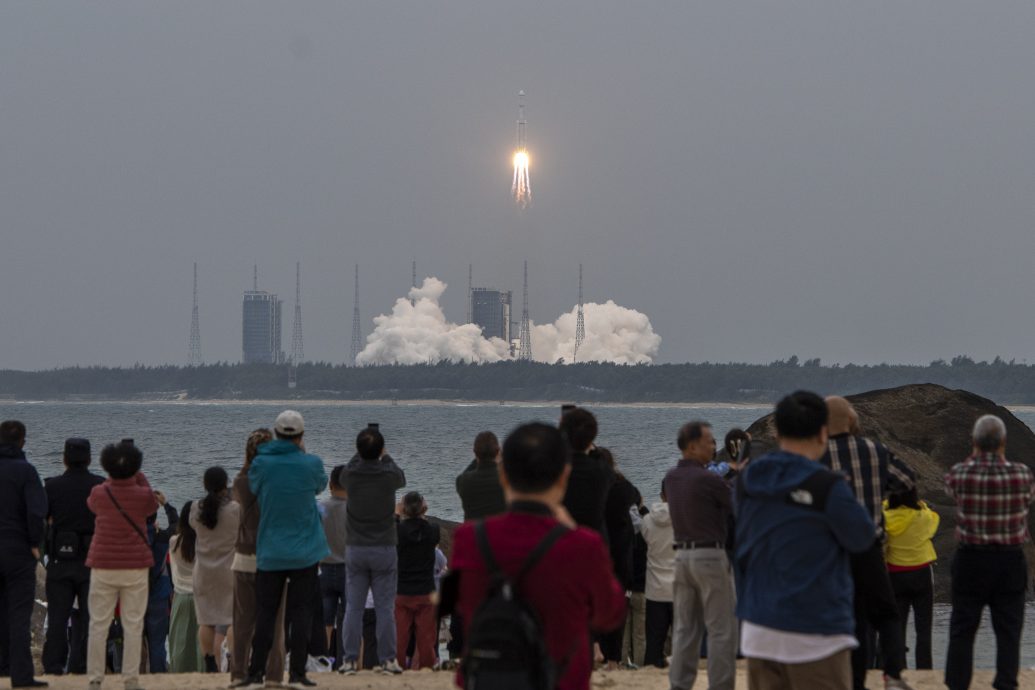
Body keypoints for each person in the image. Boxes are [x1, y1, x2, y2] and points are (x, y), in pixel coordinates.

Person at [449, 422, 627, 690]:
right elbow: (609, 613)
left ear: (504, 476)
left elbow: (463, 605)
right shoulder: (582, 545)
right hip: (561, 680)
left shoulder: (469, 540)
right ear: (563, 476)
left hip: (490, 678)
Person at [735, 391, 875, 690]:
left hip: (759, 627)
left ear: (776, 430)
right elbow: (863, 537)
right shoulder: (827, 486)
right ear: (823, 433)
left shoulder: (750, 479)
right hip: (816, 630)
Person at [822, 396, 915, 690]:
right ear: (851, 421)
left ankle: (851, 681)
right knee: (885, 614)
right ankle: (894, 674)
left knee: (847, 621)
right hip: (868, 548)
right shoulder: (875, 452)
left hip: (831, 553)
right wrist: (885, 495)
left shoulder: (816, 457)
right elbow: (907, 481)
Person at [233, 411, 328, 690]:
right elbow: (319, 485)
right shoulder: (311, 463)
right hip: (305, 550)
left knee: (265, 612)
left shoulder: (262, 464)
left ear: (277, 433)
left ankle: (255, 674)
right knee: (301, 613)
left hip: (271, 550)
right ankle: (297, 673)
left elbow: (255, 485)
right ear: (301, 436)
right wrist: (302, 453)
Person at [944, 414, 1035, 690]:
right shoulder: (1022, 474)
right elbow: (1028, 497)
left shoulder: (960, 473)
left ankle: (958, 683)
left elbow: (951, 491)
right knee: (1009, 629)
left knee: (962, 627)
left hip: (971, 558)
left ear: (974, 442)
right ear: (1004, 442)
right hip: (1009, 559)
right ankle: (1006, 682)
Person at [662, 420, 737, 690]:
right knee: (721, 629)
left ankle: (679, 685)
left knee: (685, 629)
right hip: (710, 555)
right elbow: (735, 504)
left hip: (682, 557)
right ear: (692, 446)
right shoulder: (708, 479)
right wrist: (735, 472)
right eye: (709, 441)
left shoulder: (671, 477)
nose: (714, 446)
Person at [85, 440, 160, 690]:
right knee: (133, 622)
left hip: (103, 564)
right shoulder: (142, 495)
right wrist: (137, 475)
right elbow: (152, 505)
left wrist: (112, 477)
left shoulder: (100, 493)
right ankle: (130, 678)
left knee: (98, 623)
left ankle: (95, 677)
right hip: (135, 566)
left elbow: (92, 505)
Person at [339, 425, 406, 676]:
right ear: (380, 450)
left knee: (353, 608)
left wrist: (360, 453)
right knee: (385, 608)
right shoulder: (389, 476)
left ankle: (349, 659)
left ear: (358, 450)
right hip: (384, 548)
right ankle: (388, 659)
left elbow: (347, 470)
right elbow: (401, 476)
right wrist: (385, 455)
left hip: (356, 548)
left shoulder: (351, 476)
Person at [42, 437, 104, 676]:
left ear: (65, 459)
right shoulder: (101, 486)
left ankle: (54, 667)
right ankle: (87, 667)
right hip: (93, 561)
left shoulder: (52, 486)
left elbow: (42, 521)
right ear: (89, 459)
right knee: (92, 620)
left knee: (58, 619)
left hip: (60, 560)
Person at [229, 429, 286, 687]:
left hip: (245, 556)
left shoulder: (242, 481)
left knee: (242, 622)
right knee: (275, 623)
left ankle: (239, 673)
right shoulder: (280, 481)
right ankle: (273, 675)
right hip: (274, 556)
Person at [0, 420, 48, 689]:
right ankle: (19, 675)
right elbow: (35, 511)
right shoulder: (26, 471)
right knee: (19, 614)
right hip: (17, 550)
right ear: (22, 442)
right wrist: (34, 543)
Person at [190, 466, 240, 672]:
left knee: (206, 621)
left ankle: (209, 662)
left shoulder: (195, 507)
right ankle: (233, 661)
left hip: (203, 572)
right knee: (233, 620)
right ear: (224, 484)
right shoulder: (235, 509)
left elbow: (193, 525)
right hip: (230, 571)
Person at [882, 487, 938, 670]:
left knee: (898, 627)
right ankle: (924, 668)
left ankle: (899, 666)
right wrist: (922, 505)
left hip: (895, 574)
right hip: (921, 573)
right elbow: (934, 520)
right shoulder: (923, 516)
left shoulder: (886, 517)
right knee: (924, 628)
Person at [599, 449, 640, 670]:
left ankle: (596, 651)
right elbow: (637, 523)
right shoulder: (625, 489)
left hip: (596, 555)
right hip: (621, 557)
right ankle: (614, 660)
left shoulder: (589, 490)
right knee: (616, 610)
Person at [394, 491, 440, 670]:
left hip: (402, 590)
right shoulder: (433, 530)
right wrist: (421, 514)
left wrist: (397, 514)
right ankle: (427, 670)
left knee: (400, 637)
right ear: (424, 508)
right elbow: (426, 528)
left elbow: (391, 530)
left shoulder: (398, 531)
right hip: (426, 591)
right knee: (426, 638)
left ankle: (397, 668)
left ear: (404, 509)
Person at [559, 408, 615, 534]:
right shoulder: (603, 472)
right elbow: (601, 460)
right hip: (593, 538)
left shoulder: (554, 470)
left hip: (559, 537)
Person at [142, 490, 177, 674]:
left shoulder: (131, 539)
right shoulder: (163, 538)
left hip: (134, 597)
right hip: (159, 597)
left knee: (134, 645)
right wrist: (166, 504)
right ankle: (158, 679)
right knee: (157, 645)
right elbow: (176, 526)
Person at [640, 486, 675, 669]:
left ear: (662, 495)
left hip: (655, 590)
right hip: (680, 589)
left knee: (654, 644)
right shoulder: (686, 518)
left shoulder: (647, 521)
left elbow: (645, 539)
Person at [168, 501, 204, 673]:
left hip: (181, 597)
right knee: (202, 644)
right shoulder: (205, 543)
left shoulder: (174, 542)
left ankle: (178, 676)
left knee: (179, 643)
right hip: (202, 598)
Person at [319, 464, 348, 668]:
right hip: (350, 570)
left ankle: (322, 664)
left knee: (325, 622)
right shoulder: (356, 509)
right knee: (350, 621)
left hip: (325, 569)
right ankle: (350, 663)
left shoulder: (320, 507)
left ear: (330, 485)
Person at [455, 431, 506, 521]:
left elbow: (465, 473)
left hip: (473, 532)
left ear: (474, 451)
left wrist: (479, 456)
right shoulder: (507, 481)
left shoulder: (463, 481)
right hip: (500, 531)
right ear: (497, 451)